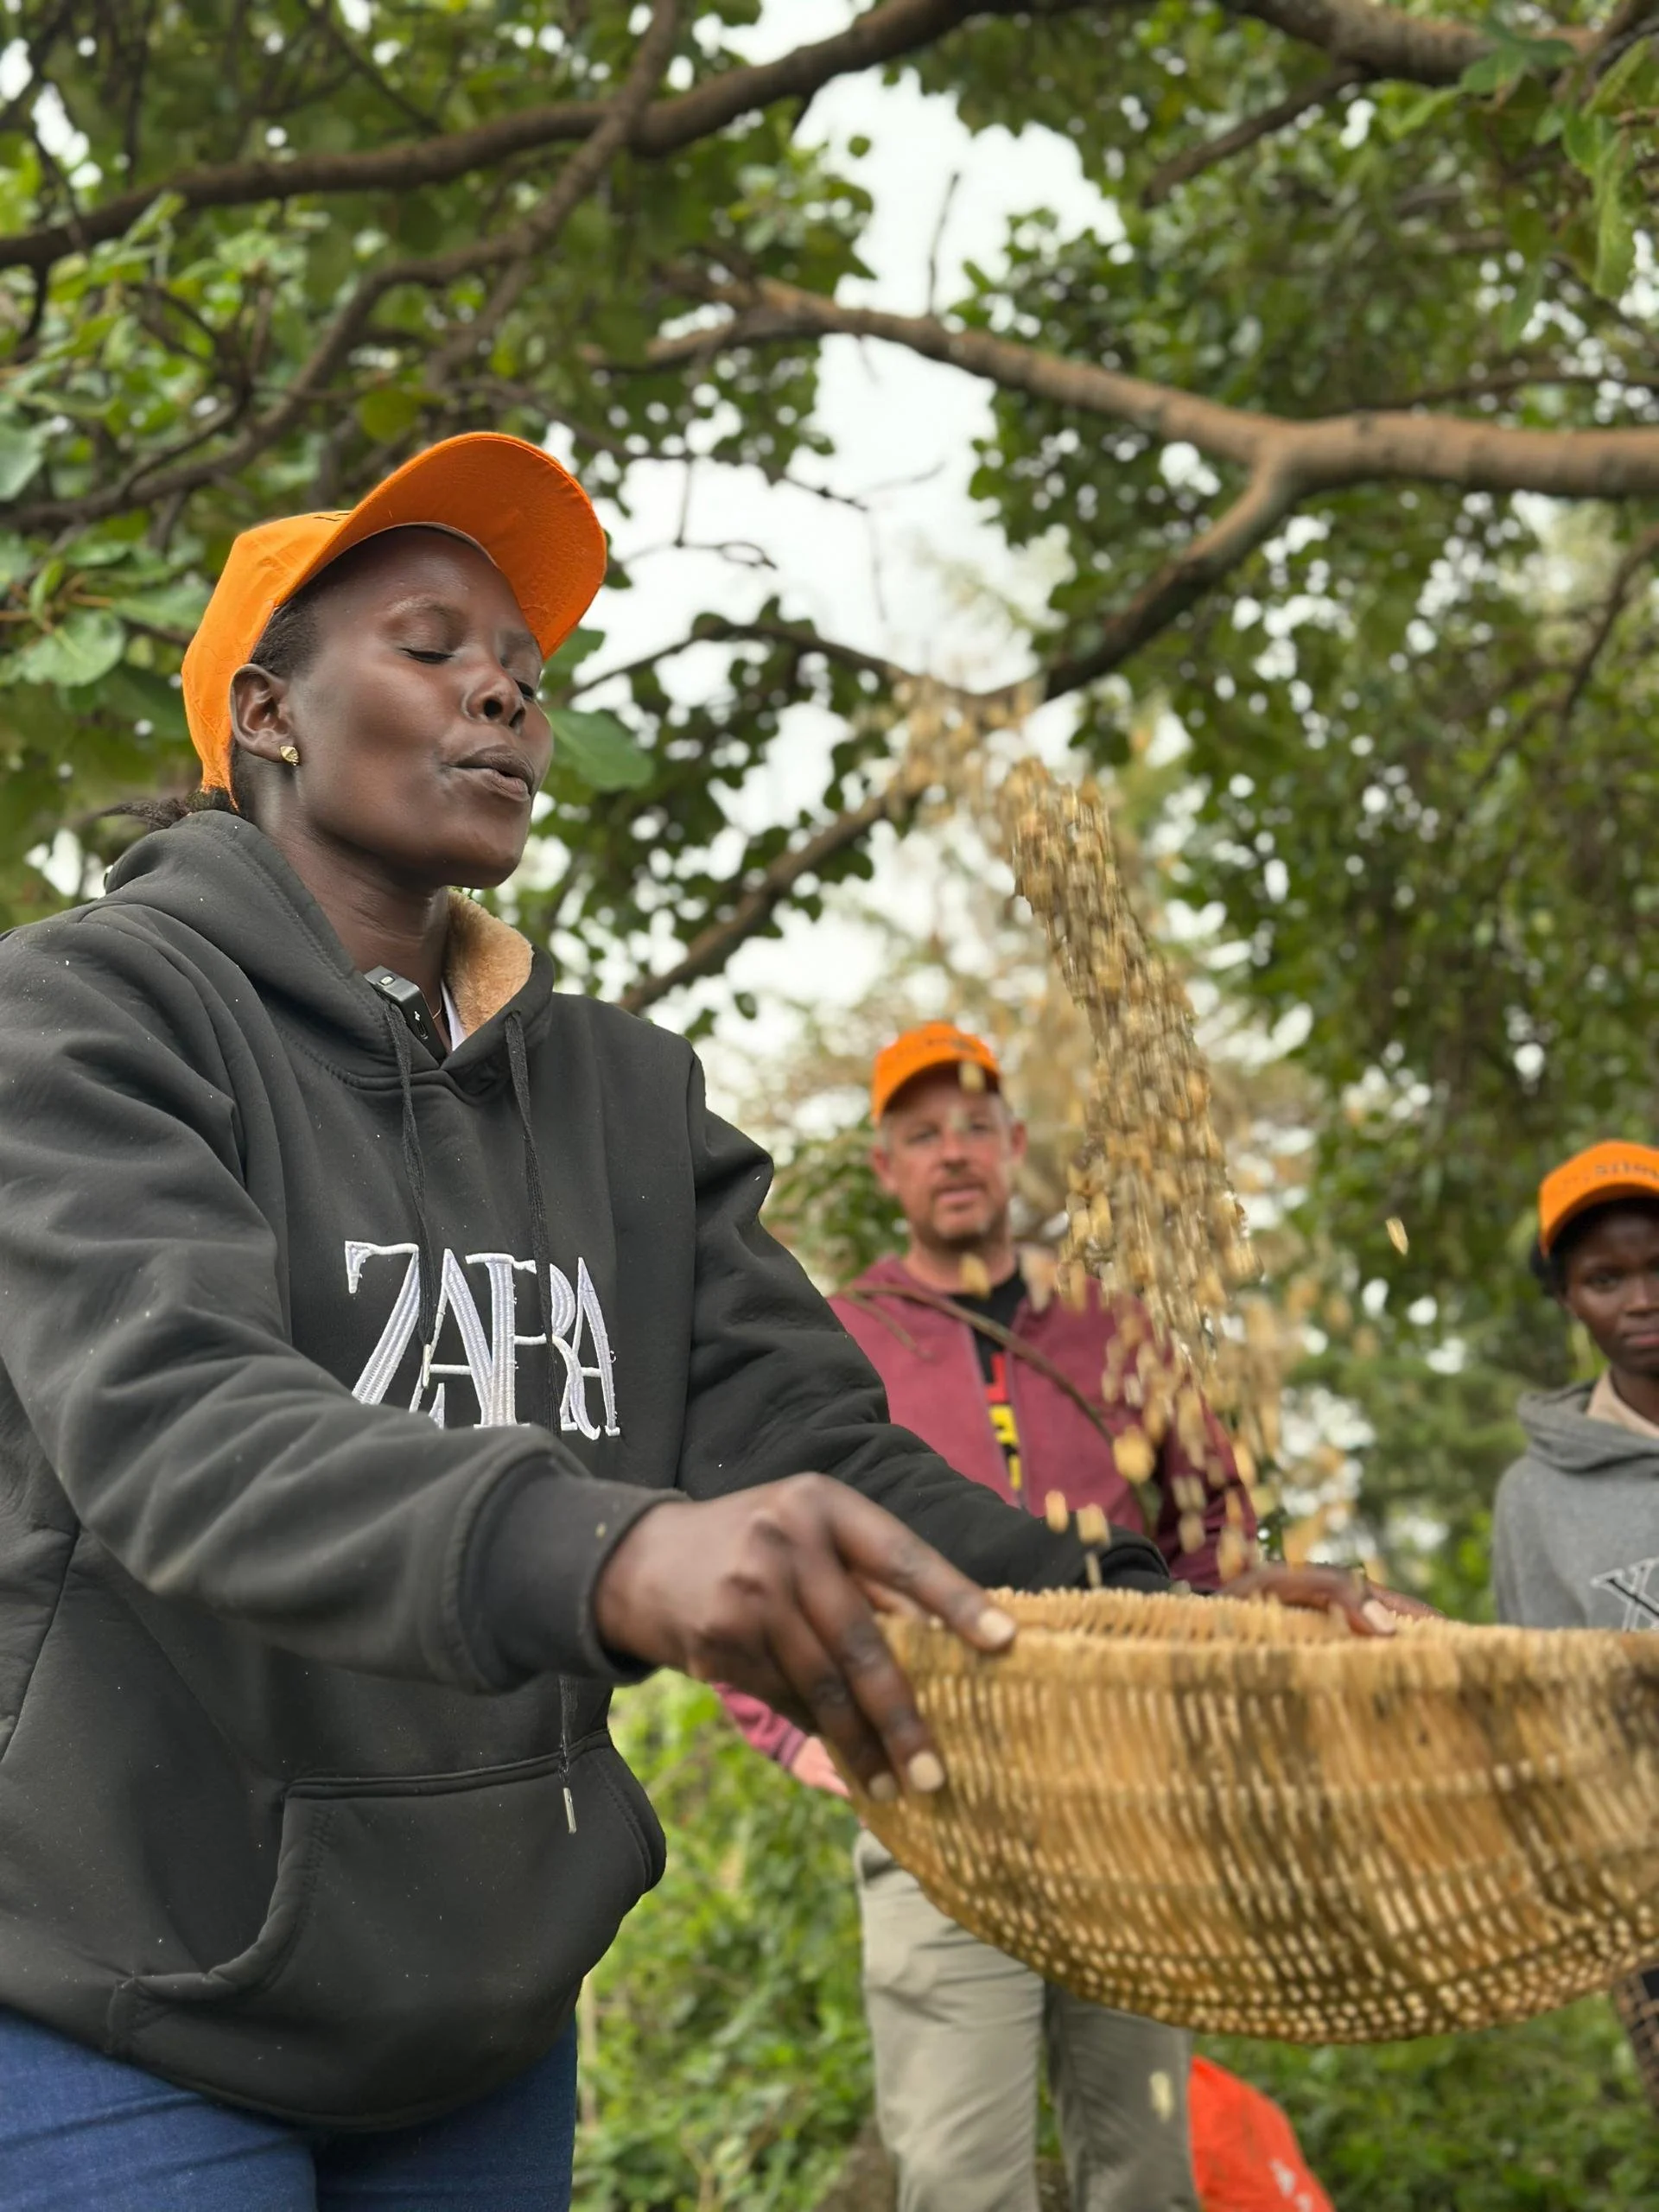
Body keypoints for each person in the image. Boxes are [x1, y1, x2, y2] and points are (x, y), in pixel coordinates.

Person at [0, 435, 1401, 2210]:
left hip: (478, 2031)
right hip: (125, 2000)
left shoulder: (619, 1096)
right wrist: (615, 1549)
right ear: (269, 713)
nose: (506, 685)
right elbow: (178, 1428)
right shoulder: (89, 1013)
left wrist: (1166, 1618)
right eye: (435, 643)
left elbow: (809, 1442)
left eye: (524, 663)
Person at [721, 1024, 1263, 2212]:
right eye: (922, 1135)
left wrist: (1207, 1683)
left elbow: (1211, 1530)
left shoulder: (1116, 1334)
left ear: (1017, 1146)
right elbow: (753, 1539)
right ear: (885, 1169)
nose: (953, 1152)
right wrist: (796, 1736)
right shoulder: (843, 1339)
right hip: (939, 1793)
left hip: (1130, 1795)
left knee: (1146, 2170)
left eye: (975, 1125)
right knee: (961, 2179)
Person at [1492, 1140, 1659, 2113]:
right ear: (1568, 1299)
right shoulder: (1538, 1497)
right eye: (1606, 1278)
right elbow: (1541, 1702)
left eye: (1657, 1266)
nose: (1641, 1298)